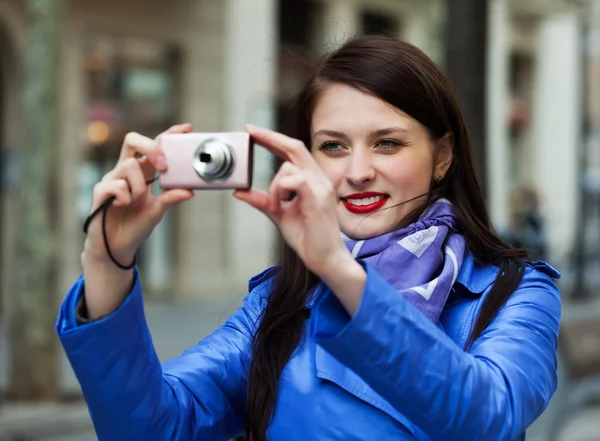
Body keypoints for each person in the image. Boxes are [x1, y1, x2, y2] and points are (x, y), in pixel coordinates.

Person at [56, 35, 561, 441]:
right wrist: (107, 263)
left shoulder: (513, 292)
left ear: (443, 156)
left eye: (388, 143)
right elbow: (154, 428)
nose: (358, 171)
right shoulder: (279, 303)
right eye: (333, 146)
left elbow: (489, 418)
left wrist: (341, 274)